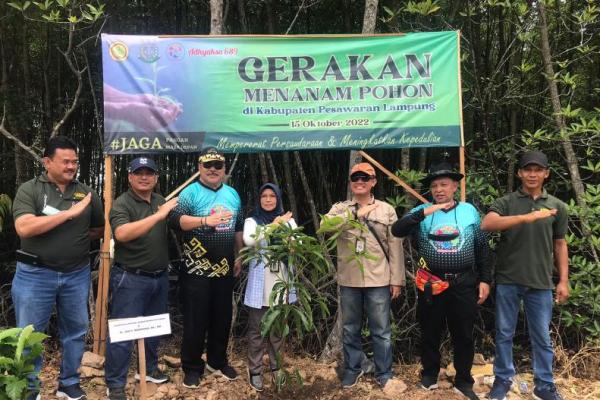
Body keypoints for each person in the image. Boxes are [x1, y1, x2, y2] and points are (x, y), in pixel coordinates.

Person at [11, 136, 104, 400]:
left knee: (75, 331)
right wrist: (69, 215)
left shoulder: (86, 193)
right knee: (29, 335)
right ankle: (29, 388)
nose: (71, 166)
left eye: (74, 161)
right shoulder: (30, 190)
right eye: (65, 161)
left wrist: (73, 238)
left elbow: (97, 229)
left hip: (76, 274)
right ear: (47, 161)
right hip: (34, 275)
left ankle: (69, 382)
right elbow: (24, 227)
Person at [391, 161, 491, 400]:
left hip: (464, 282)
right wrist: (426, 211)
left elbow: (482, 248)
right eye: (434, 186)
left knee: (464, 333)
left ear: (455, 186)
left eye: (444, 184)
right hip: (431, 283)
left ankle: (464, 380)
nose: (439, 190)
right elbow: (397, 229)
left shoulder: (469, 211)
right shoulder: (422, 212)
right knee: (430, 330)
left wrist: (485, 279)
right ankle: (429, 374)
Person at [481, 151, 569, 400]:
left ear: (546, 173)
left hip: (541, 282)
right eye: (527, 170)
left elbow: (560, 244)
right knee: (504, 333)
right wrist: (526, 217)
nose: (532, 174)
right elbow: (487, 224)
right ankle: (503, 380)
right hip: (508, 279)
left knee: (541, 335)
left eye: (538, 170)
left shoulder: (557, 207)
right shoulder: (507, 202)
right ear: (519, 173)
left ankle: (544, 385)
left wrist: (563, 280)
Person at [323, 162, 405, 390]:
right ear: (351, 182)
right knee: (350, 328)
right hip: (349, 279)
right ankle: (353, 369)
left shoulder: (386, 210)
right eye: (355, 178)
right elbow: (324, 226)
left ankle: (384, 372)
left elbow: (395, 246)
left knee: (381, 329)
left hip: (379, 278)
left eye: (364, 178)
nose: (360, 182)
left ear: (373, 182)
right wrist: (355, 215)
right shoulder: (340, 208)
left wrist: (396, 279)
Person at [168, 147, 243, 388]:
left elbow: (238, 227)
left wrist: (239, 256)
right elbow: (176, 221)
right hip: (196, 270)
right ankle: (191, 366)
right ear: (199, 167)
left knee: (221, 318)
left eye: (217, 166)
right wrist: (204, 221)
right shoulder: (190, 193)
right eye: (207, 165)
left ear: (223, 169)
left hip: (224, 269)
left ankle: (217, 361)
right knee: (195, 320)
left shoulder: (232, 194)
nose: (212, 169)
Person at [104, 157, 179, 400]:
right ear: (129, 177)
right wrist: (158, 216)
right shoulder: (121, 204)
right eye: (139, 173)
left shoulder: (160, 200)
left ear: (156, 178)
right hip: (130, 277)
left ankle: (148, 370)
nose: (144, 177)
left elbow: (178, 221)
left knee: (154, 326)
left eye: (149, 173)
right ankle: (115, 383)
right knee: (123, 332)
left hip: (159, 277)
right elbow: (122, 234)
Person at [242, 183, 297, 391]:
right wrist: (275, 225)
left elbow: (297, 244)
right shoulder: (252, 221)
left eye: (272, 196)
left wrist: (287, 232)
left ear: (278, 199)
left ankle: (277, 369)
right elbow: (249, 240)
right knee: (257, 331)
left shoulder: (288, 221)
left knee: (278, 332)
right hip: (260, 285)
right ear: (259, 199)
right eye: (264, 196)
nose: (267, 199)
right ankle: (255, 370)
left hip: (281, 283)